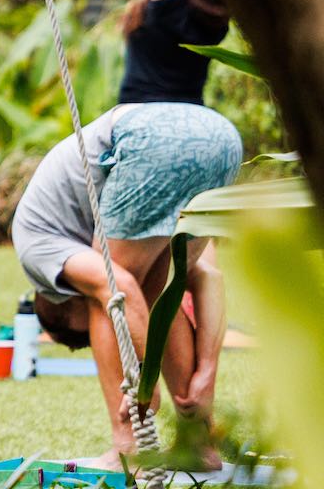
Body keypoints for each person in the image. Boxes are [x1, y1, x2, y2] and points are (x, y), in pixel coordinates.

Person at [12, 103, 240, 467]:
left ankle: (128, 444)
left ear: (58, 299)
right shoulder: (89, 226)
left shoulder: (35, 248)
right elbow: (206, 278)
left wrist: (144, 383)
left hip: (148, 140)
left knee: (106, 295)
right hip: (223, 137)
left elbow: (117, 289)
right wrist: (206, 374)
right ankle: (199, 444)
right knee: (156, 299)